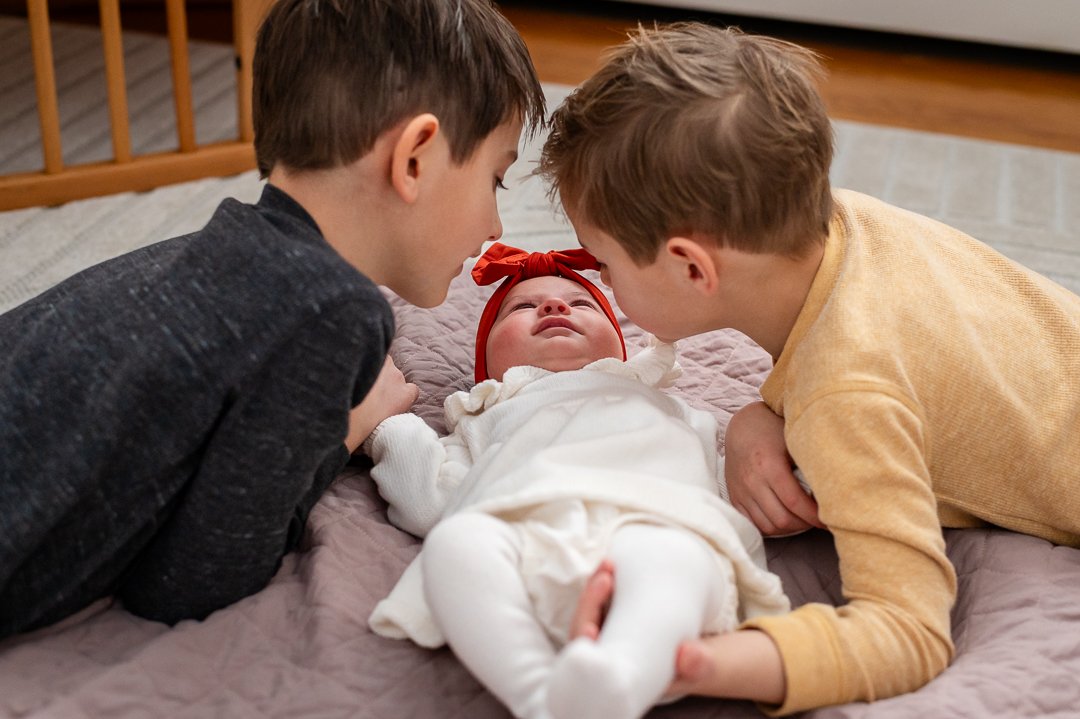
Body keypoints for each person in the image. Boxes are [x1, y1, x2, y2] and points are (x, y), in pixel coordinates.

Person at [536, 20, 1080, 715]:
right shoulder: (856, 223)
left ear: (692, 267)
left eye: (604, 262)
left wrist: (699, 662)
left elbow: (909, 633)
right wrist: (757, 415)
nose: (600, 282)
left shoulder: (845, 395)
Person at [0, 0, 546, 639]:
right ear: (414, 159)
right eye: (497, 181)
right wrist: (354, 425)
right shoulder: (334, 313)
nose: (496, 227)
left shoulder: (198, 256)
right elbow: (189, 584)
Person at [363, 242, 789, 719]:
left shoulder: (668, 405)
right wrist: (387, 423)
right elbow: (427, 499)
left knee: (677, 556)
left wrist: (782, 452)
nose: (553, 305)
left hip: (657, 528)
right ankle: (538, 691)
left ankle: (622, 670)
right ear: (487, 362)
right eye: (522, 308)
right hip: (530, 550)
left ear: (620, 345)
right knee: (457, 541)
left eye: (583, 303)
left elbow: (732, 487)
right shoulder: (484, 419)